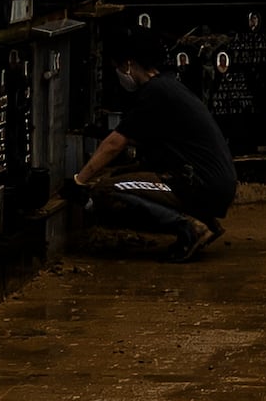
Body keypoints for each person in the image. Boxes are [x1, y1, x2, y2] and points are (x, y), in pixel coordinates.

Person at [73, 26, 235, 259]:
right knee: (128, 175)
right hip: (214, 183)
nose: (119, 73)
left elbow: (115, 143)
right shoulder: (167, 85)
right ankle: (204, 223)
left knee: (106, 190)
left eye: (118, 68)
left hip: (202, 184)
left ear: (128, 64)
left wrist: (80, 180)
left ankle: (190, 228)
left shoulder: (154, 92)